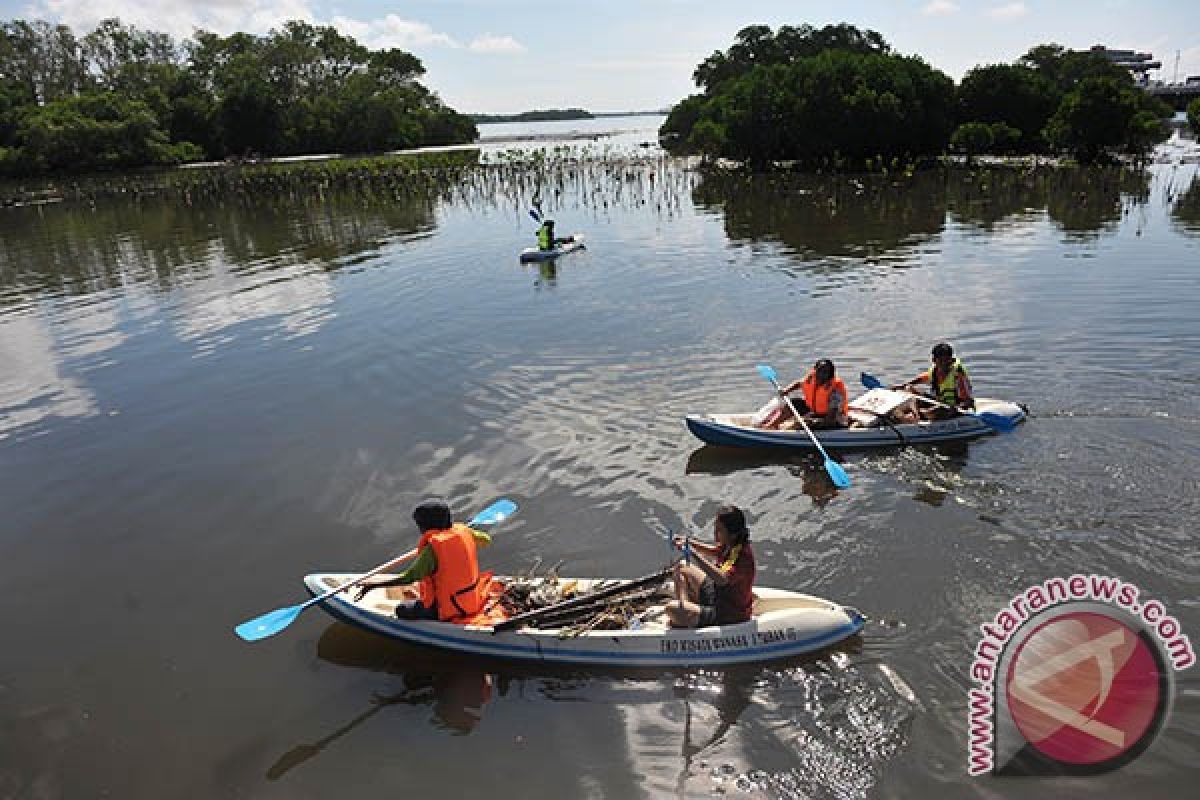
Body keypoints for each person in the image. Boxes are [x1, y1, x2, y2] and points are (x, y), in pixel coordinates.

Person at [353, 498, 494, 622]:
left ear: (425, 525)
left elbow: (408, 578)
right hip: (473, 599)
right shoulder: (465, 532)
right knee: (424, 584)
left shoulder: (432, 550)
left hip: (450, 608)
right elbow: (486, 540)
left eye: (420, 524)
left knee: (402, 609)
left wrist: (371, 586)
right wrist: (463, 532)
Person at [666, 505, 756, 628]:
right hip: (717, 595)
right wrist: (688, 542)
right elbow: (715, 551)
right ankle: (685, 614)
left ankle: (684, 615)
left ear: (732, 534)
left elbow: (722, 579)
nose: (714, 533)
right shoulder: (730, 544)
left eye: (719, 530)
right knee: (682, 567)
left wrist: (693, 553)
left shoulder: (743, 556)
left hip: (728, 613)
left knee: (670, 608)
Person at [762, 358, 849, 430]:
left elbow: (832, 417)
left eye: (825, 372)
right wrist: (786, 390)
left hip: (835, 419)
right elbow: (799, 383)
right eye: (819, 371)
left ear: (830, 374)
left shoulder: (834, 389)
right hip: (816, 412)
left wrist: (812, 422)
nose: (821, 375)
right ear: (815, 370)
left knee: (803, 423)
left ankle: (788, 431)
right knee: (794, 403)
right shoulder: (812, 377)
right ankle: (772, 425)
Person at [895, 342, 974, 420]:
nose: (944, 364)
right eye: (940, 361)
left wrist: (957, 408)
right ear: (934, 360)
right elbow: (921, 378)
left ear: (951, 359)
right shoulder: (934, 371)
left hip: (952, 407)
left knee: (938, 410)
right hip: (939, 402)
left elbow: (968, 401)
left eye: (947, 361)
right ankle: (914, 413)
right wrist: (903, 386)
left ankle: (918, 415)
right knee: (909, 389)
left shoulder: (958, 375)